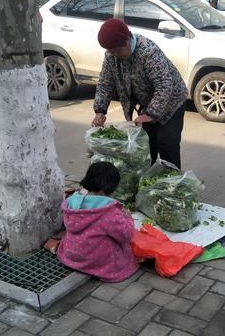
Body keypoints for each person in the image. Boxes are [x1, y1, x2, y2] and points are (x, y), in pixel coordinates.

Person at [91, 18, 187, 168]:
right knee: (146, 145)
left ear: (127, 41)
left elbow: (165, 85)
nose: (114, 55)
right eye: (111, 51)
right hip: (148, 102)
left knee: (166, 143)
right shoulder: (111, 56)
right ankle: (148, 183)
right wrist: (100, 110)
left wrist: (150, 115)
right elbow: (105, 83)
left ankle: (173, 185)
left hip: (172, 101)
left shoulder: (148, 52)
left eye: (116, 51)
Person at [57, 162, 139, 282]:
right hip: (96, 261)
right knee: (125, 250)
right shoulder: (108, 212)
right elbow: (126, 235)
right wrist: (127, 218)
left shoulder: (72, 202)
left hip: (71, 255)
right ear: (110, 187)